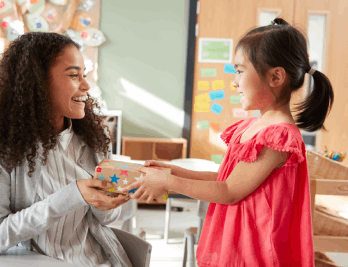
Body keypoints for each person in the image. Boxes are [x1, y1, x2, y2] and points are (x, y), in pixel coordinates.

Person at [121, 18, 334, 266]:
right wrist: (173, 172)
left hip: (254, 253)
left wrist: (168, 182)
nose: (234, 82)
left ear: (276, 77)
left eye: (240, 71)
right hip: (236, 244)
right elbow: (228, 180)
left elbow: (230, 192)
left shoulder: (278, 137)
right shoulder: (254, 127)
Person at [0, 32, 132, 267]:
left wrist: (107, 201)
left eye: (84, 75)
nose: (85, 85)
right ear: (38, 81)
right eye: (74, 75)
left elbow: (108, 220)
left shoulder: (95, 136)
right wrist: (74, 195)